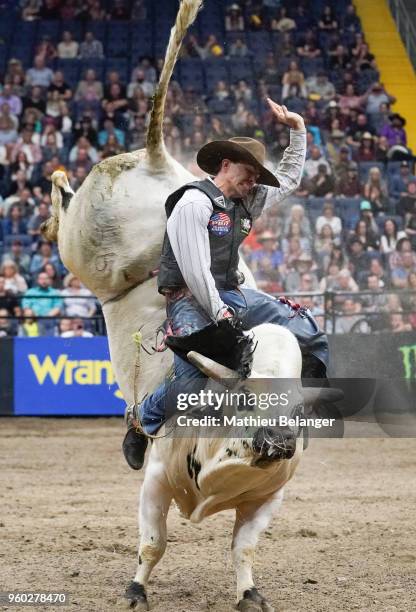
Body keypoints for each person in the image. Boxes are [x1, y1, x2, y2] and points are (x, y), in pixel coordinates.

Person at [122, 102, 329, 470]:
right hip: (189, 300)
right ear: (226, 165)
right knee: (190, 388)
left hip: (232, 294)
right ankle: (141, 419)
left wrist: (298, 130)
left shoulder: (249, 199)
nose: (254, 183)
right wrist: (220, 313)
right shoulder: (193, 203)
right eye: (250, 175)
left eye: (256, 178)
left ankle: (295, 407)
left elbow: (290, 178)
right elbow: (196, 270)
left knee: (305, 327)